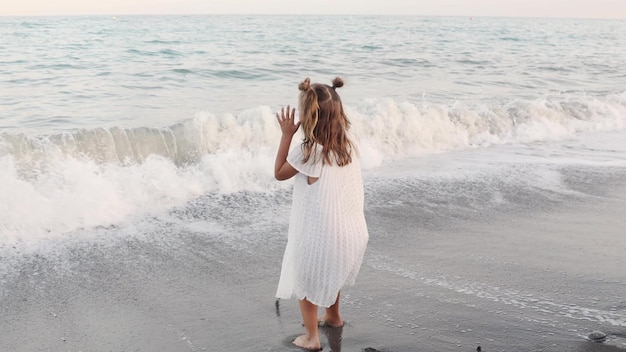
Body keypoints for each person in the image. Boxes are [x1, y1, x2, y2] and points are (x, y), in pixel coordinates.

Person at [274, 77, 369, 350]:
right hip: (351, 231)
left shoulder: (310, 151)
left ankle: (312, 337)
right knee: (330, 272)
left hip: (324, 234)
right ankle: (334, 317)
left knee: (307, 279)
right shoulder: (347, 145)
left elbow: (279, 173)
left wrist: (286, 135)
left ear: (307, 116)